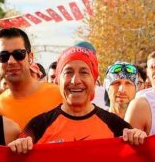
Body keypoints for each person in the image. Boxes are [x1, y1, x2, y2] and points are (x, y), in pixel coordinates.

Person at [11, 46, 146, 151]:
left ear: (94, 80)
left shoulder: (117, 127)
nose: (75, 80)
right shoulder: (37, 127)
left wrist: (139, 140)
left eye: (84, 72)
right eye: (68, 72)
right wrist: (18, 147)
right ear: (58, 80)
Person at [0, 28, 62, 130]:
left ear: (30, 57)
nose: (11, 61)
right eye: (3, 56)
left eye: (18, 54)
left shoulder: (59, 95)